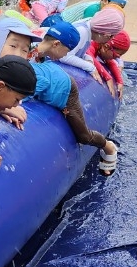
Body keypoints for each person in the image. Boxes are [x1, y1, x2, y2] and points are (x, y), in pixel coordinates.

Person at [30, 16, 119, 175]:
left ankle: (108, 146)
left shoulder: (40, 53)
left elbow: (37, 83)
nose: (63, 56)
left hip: (67, 93)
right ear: (56, 44)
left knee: (83, 136)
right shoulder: (32, 49)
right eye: (65, 52)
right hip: (56, 85)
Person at [58, 6, 125, 77]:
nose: (111, 40)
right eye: (111, 36)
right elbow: (64, 56)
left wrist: (88, 59)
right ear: (105, 34)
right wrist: (90, 67)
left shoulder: (89, 28)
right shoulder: (82, 32)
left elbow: (78, 51)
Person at [88, 29, 130, 98]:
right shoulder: (91, 44)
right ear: (106, 47)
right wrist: (107, 77)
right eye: (116, 55)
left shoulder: (100, 46)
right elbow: (89, 56)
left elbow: (111, 63)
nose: (117, 58)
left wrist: (120, 82)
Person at [61, 0, 127, 24]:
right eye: (114, 6)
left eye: (120, 8)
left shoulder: (102, 8)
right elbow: (85, 29)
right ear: (105, 1)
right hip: (61, 22)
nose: (116, 10)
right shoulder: (93, 9)